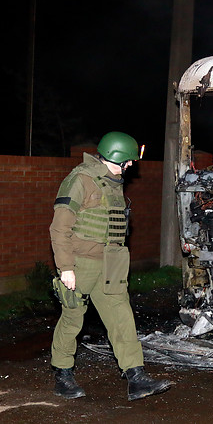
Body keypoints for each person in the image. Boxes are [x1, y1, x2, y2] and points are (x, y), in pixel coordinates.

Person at [49, 131, 172, 401]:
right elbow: (59, 228)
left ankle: (136, 377)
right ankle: (63, 374)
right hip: (81, 264)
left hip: (112, 262)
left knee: (122, 318)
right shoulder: (80, 180)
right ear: (115, 156)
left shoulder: (113, 181)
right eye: (126, 161)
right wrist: (65, 267)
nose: (129, 166)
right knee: (72, 320)